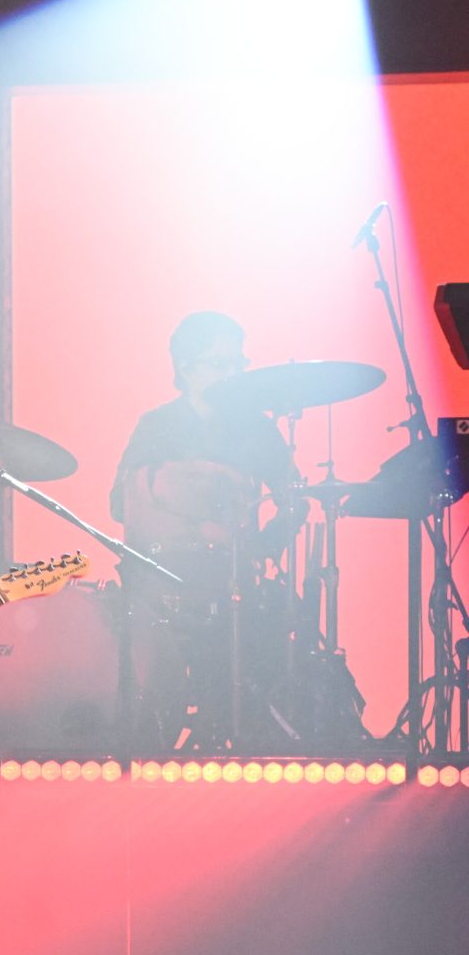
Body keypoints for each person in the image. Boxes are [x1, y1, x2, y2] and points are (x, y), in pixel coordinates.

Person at [109, 311, 302, 751]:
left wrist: (262, 547)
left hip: (232, 578)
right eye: (219, 363)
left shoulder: (256, 427)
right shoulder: (156, 425)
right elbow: (119, 503)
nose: (232, 373)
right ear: (185, 367)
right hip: (159, 578)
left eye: (238, 363)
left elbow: (296, 499)